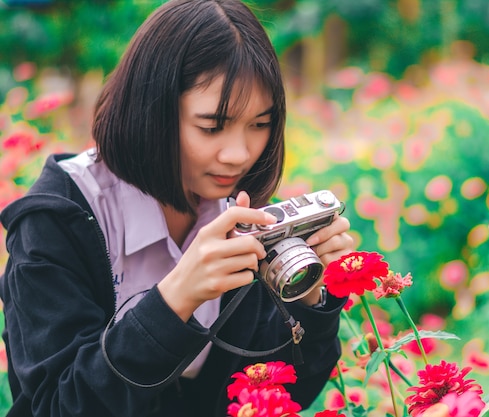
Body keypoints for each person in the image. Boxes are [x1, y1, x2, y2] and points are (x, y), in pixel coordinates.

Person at [0, 0, 354, 416]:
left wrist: (309, 304)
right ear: (151, 111)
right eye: (211, 126)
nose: (239, 154)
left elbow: (272, 394)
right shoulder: (59, 219)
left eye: (260, 124)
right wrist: (173, 301)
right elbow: (56, 405)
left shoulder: (241, 211)